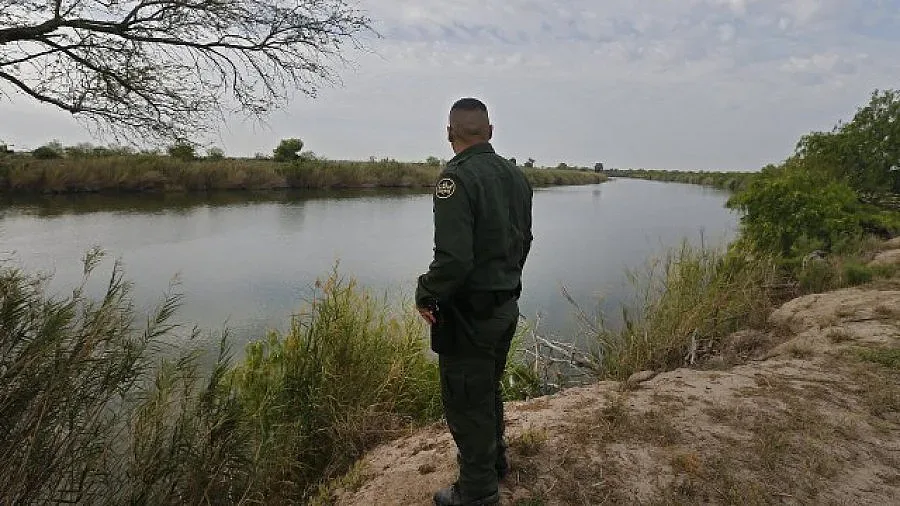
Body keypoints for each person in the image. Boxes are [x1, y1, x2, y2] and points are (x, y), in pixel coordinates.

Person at [416, 97, 534, 506]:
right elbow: (525, 242)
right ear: (490, 132)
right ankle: (496, 462)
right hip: (506, 307)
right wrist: (504, 281)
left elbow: (453, 260)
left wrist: (426, 293)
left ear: (450, 134)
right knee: (486, 389)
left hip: (470, 315)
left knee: (466, 400)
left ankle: (478, 492)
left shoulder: (456, 179)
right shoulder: (516, 176)